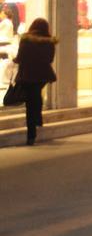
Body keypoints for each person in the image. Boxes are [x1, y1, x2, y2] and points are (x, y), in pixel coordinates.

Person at [14, 17, 57, 145]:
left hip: (27, 74)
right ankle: (38, 118)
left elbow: (20, 57)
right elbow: (50, 59)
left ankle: (31, 135)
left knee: (30, 104)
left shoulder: (25, 39)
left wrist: (16, 60)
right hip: (42, 75)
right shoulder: (49, 42)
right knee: (36, 96)